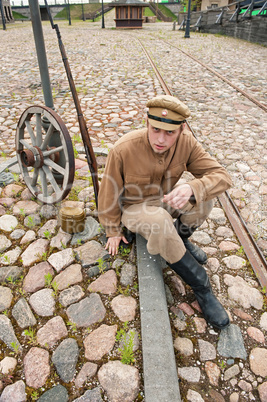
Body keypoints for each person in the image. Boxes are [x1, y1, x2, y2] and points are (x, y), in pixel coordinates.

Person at [98, 95, 232, 330]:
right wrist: (111, 229)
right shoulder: (123, 149)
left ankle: (178, 239)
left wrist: (194, 187)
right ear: (147, 124)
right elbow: (108, 192)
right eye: (156, 129)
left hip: (163, 199)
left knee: (205, 198)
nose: (161, 139)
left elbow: (222, 177)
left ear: (181, 129)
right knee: (160, 221)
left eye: (169, 133)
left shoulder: (187, 144)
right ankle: (202, 287)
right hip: (133, 209)